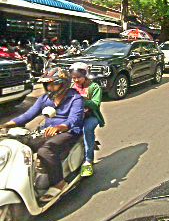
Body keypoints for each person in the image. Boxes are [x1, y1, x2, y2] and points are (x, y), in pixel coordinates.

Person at [0, 68, 84, 201]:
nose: (49, 88)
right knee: (17, 144)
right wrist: (5, 125)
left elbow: (75, 119)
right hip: (46, 131)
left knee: (45, 150)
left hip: (69, 131)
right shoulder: (45, 99)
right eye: (47, 85)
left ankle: (59, 183)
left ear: (63, 83)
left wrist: (60, 127)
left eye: (53, 84)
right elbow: (28, 115)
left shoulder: (75, 98)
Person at [70, 62, 105, 177]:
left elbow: (95, 104)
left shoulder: (94, 87)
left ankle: (88, 161)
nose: (76, 80)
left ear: (85, 75)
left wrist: (81, 100)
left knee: (87, 130)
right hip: (75, 116)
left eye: (78, 77)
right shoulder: (72, 86)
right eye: (74, 78)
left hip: (91, 116)